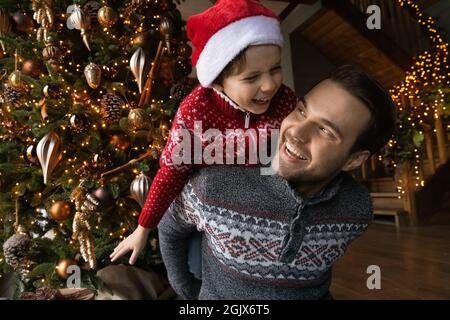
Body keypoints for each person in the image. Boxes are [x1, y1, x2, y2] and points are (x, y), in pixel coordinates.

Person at [157, 65, 396, 299]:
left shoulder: (357, 209)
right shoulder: (214, 183)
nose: (296, 132)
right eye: (301, 111)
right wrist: (188, 291)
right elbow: (169, 228)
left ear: (354, 160)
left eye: (325, 130)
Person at [110, 0, 298, 265]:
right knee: (201, 268)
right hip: (209, 210)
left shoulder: (285, 102)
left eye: (275, 69)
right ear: (218, 82)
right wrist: (143, 228)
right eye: (251, 77)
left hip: (266, 207)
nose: (270, 85)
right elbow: (171, 172)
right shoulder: (195, 113)